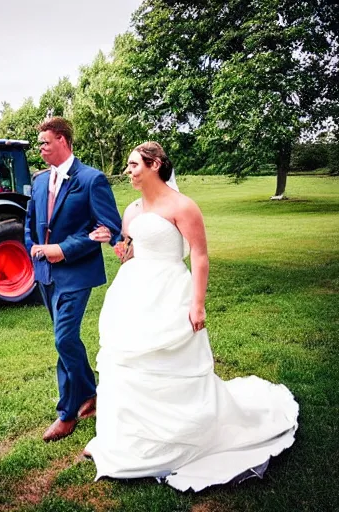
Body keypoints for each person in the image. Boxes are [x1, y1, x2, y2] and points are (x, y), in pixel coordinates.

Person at [84, 141, 299, 491]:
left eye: (135, 164)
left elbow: (199, 256)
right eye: (128, 165)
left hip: (171, 290)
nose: (129, 171)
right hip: (134, 292)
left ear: (156, 165)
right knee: (125, 363)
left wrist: (197, 303)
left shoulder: (183, 206)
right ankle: (125, 442)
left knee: (171, 363)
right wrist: (113, 241)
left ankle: (181, 439)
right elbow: (130, 252)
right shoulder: (132, 210)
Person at [24, 117, 122, 442]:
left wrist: (62, 250)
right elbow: (29, 225)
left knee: (64, 339)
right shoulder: (38, 181)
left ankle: (67, 414)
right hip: (46, 275)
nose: (40, 148)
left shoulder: (91, 180)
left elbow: (108, 228)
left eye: (45, 142)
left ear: (63, 141)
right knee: (63, 342)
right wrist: (35, 250)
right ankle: (88, 394)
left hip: (77, 274)